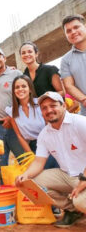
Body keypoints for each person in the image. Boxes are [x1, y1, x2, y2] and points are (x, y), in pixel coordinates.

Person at [16, 91, 86, 228]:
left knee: (81, 202)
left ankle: (78, 205)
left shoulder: (80, 122)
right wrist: (25, 175)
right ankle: (72, 211)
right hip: (67, 175)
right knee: (31, 184)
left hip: (84, 174)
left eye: (53, 105)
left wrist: (84, 180)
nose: (49, 110)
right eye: (44, 108)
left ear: (64, 106)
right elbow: (38, 162)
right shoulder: (44, 134)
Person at [5, 75, 58, 169]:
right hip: (32, 147)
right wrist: (30, 155)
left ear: (30, 89)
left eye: (24, 86)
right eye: (17, 87)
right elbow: (19, 136)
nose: (20, 89)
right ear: (14, 91)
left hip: (50, 144)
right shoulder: (12, 112)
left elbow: (50, 127)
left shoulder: (40, 104)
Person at [61, 14, 86, 116]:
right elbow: (68, 85)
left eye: (76, 27)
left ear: (84, 26)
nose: (73, 32)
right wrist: (84, 100)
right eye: (68, 31)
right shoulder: (65, 60)